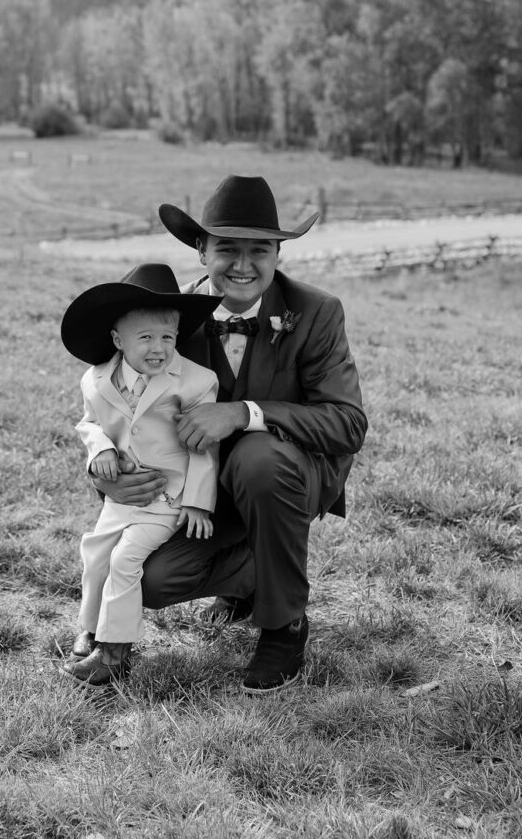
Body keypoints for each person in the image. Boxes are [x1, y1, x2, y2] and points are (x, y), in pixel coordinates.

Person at [95, 176, 367, 694]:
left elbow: (348, 424)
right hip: (201, 492)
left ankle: (283, 623)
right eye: (227, 249)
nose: (243, 265)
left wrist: (243, 413)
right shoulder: (168, 322)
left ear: (278, 253)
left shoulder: (316, 312)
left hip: (289, 474)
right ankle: (253, 579)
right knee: (153, 580)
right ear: (200, 250)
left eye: (259, 250)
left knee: (258, 459)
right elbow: (118, 415)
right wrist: (105, 478)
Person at [59, 262, 221, 686]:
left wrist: (199, 503)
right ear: (118, 339)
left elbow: (203, 444)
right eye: (145, 337)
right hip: (120, 498)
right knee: (95, 554)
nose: (158, 347)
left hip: (166, 500)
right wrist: (100, 449)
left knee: (125, 559)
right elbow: (88, 423)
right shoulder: (96, 380)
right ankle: (91, 629)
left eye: (167, 337)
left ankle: (114, 653)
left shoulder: (196, 382)